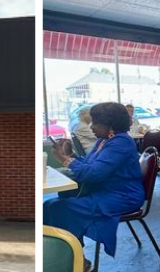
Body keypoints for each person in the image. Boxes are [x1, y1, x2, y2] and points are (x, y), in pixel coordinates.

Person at [43, 102, 146, 260]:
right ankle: (68, 256)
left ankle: (74, 260)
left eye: (95, 122)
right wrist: (70, 155)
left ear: (109, 126)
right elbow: (92, 165)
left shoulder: (121, 142)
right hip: (108, 191)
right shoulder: (104, 140)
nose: (91, 126)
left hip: (122, 196)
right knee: (49, 205)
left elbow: (93, 175)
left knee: (58, 208)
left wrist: (65, 160)